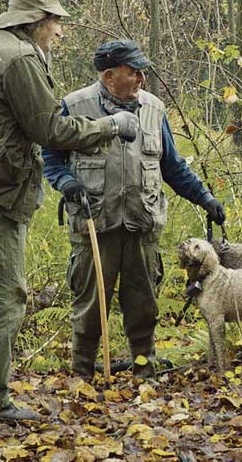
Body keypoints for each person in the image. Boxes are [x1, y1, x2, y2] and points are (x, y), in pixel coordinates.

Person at [0, 0, 140, 422]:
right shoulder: (20, 56)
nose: (59, 32)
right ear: (37, 22)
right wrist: (112, 126)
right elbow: (51, 131)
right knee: (2, 295)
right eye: (56, 22)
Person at [43, 40, 226, 379]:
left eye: (143, 71)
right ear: (109, 76)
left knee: (143, 307)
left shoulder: (154, 109)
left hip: (142, 226)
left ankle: (144, 372)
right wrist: (67, 183)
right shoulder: (74, 105)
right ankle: (82, 375)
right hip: (94, 224)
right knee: (89, 308)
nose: (142, 78)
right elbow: (51, 158)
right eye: (134, 72)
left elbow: (172, 166)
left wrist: (205, 198)